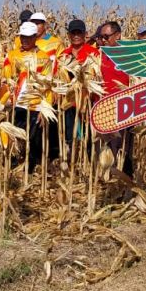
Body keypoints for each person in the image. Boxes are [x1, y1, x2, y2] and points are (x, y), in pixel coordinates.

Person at [3, 21, 58, 169]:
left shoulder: (44, 58)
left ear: (35, 37)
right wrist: (5, 99)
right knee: (14, 139)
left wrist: (45, 108)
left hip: (35, 106)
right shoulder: (13, 55)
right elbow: (6, 78)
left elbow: (48, 86)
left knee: (33, 141)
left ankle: (30, 170)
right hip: (17, 105)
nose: (25, 40)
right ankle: (13, 169)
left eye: (28, 37)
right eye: (22, 37)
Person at [97, 20, 134, 177]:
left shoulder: (129, 55)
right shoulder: (100, 56)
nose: (103, 40)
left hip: (126, 108)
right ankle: (110, 181)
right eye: (101, 37)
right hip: (106, 110)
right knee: (109, 148)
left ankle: (125, 181)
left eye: (106, 36)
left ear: (118, 35)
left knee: (125, 149)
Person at [59, 18, 98, 152]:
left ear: (85, 34)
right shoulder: (64, 55)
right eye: (73, 33)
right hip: (69, 102)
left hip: (87, 101)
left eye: (79, 33)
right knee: (70, 137)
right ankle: (72, 163)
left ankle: (88, 164)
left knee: (88, 136)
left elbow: (98, 76)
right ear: (69, 35)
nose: (76, 36)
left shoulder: (93, 53)